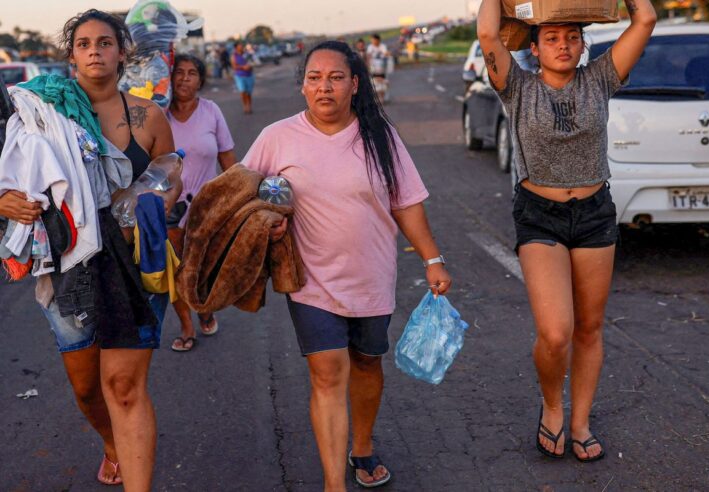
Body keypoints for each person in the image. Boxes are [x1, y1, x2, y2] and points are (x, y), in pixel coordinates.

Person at [242, 40, 451, 490]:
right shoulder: (277, 137)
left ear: (355, 85)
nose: (324, 87)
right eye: (315, 78)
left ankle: (362, 445)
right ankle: (333, 483)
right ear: (302, 87)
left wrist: (432, 259)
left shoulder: (381, 136)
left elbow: (408, 204)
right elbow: (242, 196)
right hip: (310, 280)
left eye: (335, 78)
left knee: (366, 362)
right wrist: (267, 224)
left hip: (372, 277)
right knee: (328, 370)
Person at [0, 9, 180, 489]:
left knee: (122, 386)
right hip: (69, 267)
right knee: (86, 387)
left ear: (122, 52)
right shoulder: (42, 112)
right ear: (72, 55)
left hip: (135, 264)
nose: (95, 51)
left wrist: (154, 203)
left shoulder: (148, 115)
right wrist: (5, 198)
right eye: (84, 44)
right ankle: (110, 441)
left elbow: (169, 172)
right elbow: (14, 172)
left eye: (105, 42)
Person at [477, 0, 656, 462]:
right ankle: (553, 407)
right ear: (534, 49)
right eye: (552, 38)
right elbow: (488, 35)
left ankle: (581, 422)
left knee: (590, 327)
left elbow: (646, 19)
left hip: (595, 212)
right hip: (540, 214)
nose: (563, 45)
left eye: (571, 38)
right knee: (556, 332)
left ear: (582, 44)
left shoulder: (600, 78)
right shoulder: (516, 88)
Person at [166, 53, 236, 352]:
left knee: (202, 267)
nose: (184, 78)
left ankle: (205, 307)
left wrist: (238, 198)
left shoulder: (211, 111)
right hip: (168, 205)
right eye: (178, 72)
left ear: (201, 80)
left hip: (205, 206)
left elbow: (228, 159)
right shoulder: (157, 112)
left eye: (191, 73)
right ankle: (186, 326)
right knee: (175, 269)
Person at [231, 41, 255, 114]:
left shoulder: (247, 54)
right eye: (239, 46)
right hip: (239, 76)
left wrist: (250, 66)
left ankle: (249, 106)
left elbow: (252, 62)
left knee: (248, 93)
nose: (241, 47)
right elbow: (234, 66)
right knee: (243, 91)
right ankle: (245, 106)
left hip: (249, 75)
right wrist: (243, 67)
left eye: (242, 45)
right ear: (236, 47)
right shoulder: (234, 56)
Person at [366, 34, 390, 102]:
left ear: (378, 40)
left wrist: (386, 54)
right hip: (373, 67)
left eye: (374, 40)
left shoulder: (383, 46)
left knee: (384, 82)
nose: (373, 42)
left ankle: (385, 96)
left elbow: (386, 54)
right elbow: (368, 56)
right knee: (374, 82)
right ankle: (377, 97)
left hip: (382, 66)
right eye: (372, 40)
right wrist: (368, 65)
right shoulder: (370, 47)